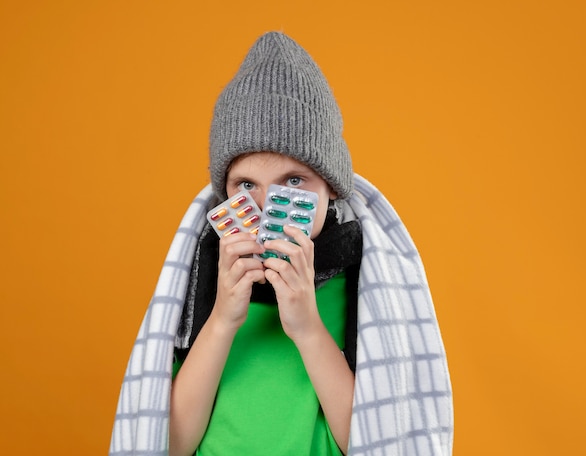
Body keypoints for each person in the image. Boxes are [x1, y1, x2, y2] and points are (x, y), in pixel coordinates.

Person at [110, 32, 453, 456]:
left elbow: (378, 441)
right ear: (226, 194)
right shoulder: (204, 276)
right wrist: (221, 320)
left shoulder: (364, 284)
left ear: (331, 187)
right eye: (246, 184)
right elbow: (170, 445)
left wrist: (308, 327)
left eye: (293, 181)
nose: (268, 204)